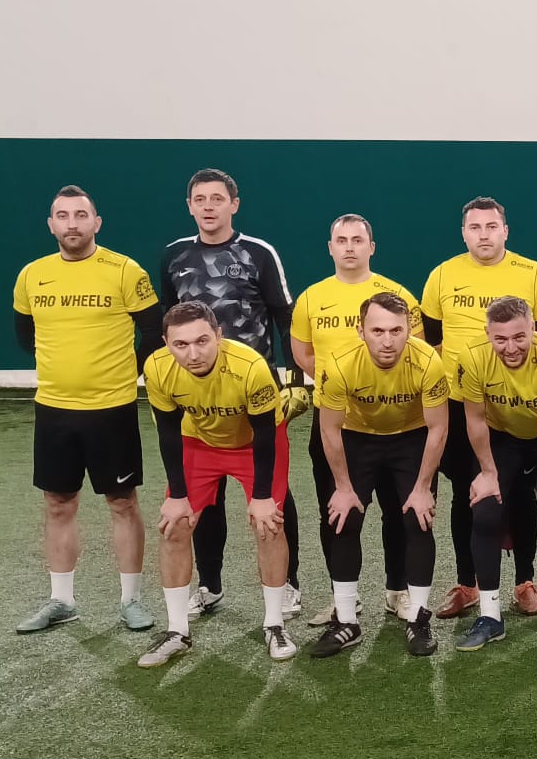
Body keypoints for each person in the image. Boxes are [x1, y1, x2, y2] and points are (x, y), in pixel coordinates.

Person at [12, 185, 162, 634]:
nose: (72, 223)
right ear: (51, 225)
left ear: (97, 222)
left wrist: (126, 372)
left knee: (122, 502)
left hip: (111, 409)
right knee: (58, 504)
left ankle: (131, 601)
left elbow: (154, 331)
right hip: (53, 409)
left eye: (81, 215)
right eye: (62, 216)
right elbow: (25, 336)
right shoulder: (32, 275)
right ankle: (62, 601)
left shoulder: (125, 271)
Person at [159, 168, 302, 619]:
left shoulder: (258, 253)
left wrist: (295, 379)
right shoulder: (174, 255)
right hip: (199, 399)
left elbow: (285, 317)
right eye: (200, 199)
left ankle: (289, 584)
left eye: (217, 199)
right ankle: (210, 585)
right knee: (205, 497)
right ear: (189, 206)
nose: (209, 207)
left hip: (255, 393)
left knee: (273, 496)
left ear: (233, 204)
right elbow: (169, 321)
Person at [420, 197, 537, 621]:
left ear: (505, 230)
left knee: (520, 494)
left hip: (518, 405)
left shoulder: (533, 274)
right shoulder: (442, 276)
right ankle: (468, 584)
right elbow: (431, 342)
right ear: (463, 233)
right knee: (467, 493)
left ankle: (525, 582)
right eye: (475, 227)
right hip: (460, 403)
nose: (483, 234)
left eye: (491, 226)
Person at [136, 302, 295, 667]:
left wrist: (261, 497)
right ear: (166, 343)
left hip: (254, 443)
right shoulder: (157, 368)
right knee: (174, 524)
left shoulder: (250, 367)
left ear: (219, 336)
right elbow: (168, 432)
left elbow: (265, 434)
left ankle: (274, 624)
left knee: (269, 525)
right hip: (199, 442)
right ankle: (177, 631)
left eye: (202, 341)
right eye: (181, 344)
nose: (193, 354)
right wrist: (177, 495)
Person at [288, 214, 421, 626]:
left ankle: (397, 592)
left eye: (358, 240)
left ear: (371, 247)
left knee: (398, 512)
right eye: (341, 240)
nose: (349, 247)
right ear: (330, 248)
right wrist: (341, 386)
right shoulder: (311, 298)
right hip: (336, 423)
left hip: (395, 420)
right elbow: (303, 353)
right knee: (337, 512)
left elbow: (414, 349)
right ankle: (342, 597)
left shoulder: (397, 295)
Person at [311, 293, 451, 658]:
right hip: (358, 438)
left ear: (408, 331)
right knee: (343, 519)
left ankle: (418, 619)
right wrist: (343, 487)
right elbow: (329, 429)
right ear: (361, 331)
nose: (387, 341)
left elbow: (438, 428)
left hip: (411, 437)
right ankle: (346, 621)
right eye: (377, 331)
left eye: (396, 331)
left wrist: (423, 488)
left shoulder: (428, 362)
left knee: (418, 519)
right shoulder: (339, 364)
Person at [454, 297, 537, 651]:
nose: (510, 347)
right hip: (503, 435)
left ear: (532, 329)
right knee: (485, 511)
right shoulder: (472, 358)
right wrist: (487, 472)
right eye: (500, 339)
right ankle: (490, 616)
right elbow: (475, 419)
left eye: (519, 337)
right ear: (488, 334)